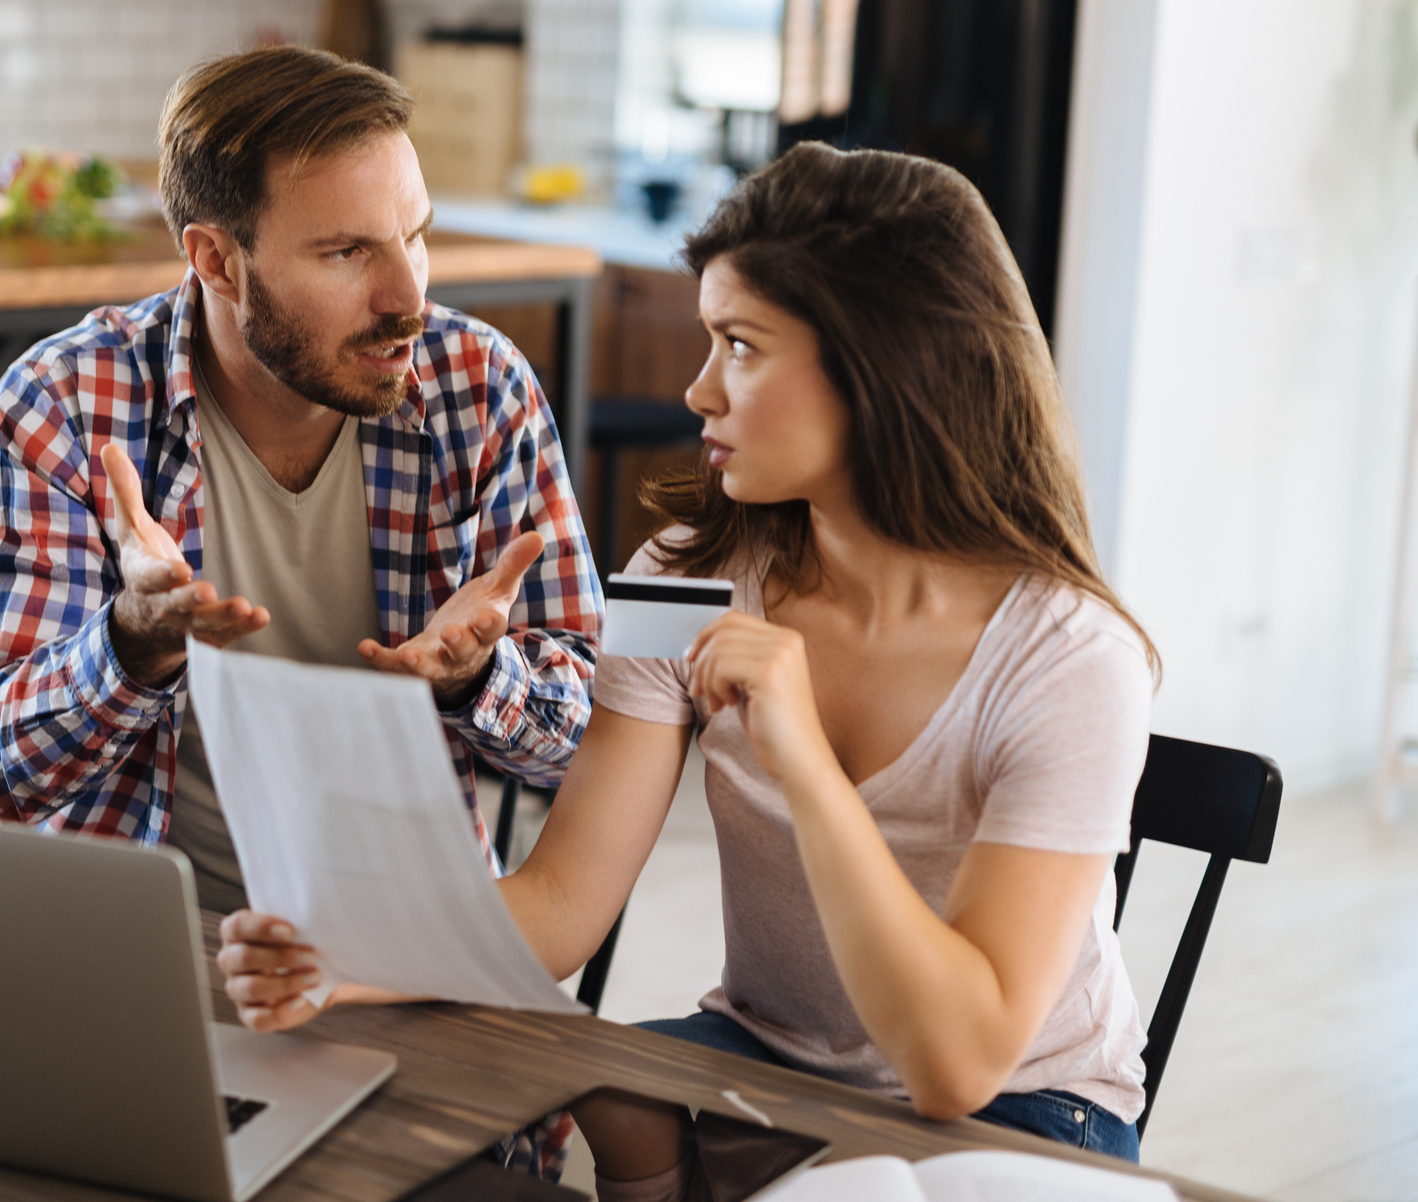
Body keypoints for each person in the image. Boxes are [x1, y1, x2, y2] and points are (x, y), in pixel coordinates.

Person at [216, 143, 1159, 1191]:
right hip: (771, 1065)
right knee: (613, 1088)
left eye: (741, 346)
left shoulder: (1068, 659)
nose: (696, 387)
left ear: (881, 365)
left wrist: (800, 756)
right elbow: (568, 899)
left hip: (1020, 1103)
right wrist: (349, 958)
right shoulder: (686, 579)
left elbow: (955, 1061)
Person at [0, 45, 602, 912]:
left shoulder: (478, 390)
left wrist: (476, 680)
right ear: (216, 261)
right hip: (146, 945)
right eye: (345, 253)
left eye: (416, 237)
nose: (407, 294)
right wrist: (130, 645)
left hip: (414, 942)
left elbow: (594, 742)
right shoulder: (63, 404)